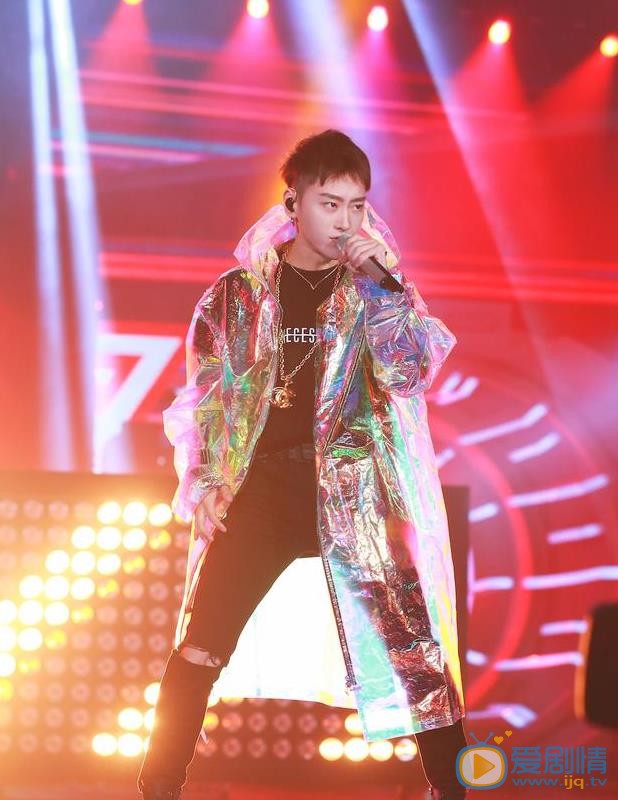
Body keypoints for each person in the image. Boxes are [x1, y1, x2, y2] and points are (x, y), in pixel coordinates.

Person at [138, 129, 468, 800]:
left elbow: (411, 372)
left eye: (357, 205)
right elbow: (206, 394)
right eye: (329, 204)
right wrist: (205, 479)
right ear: (293, 203)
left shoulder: (374, 288)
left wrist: (388, 290)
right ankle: (157, 788)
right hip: (264, 490)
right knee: (201, 646)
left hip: (355, 494)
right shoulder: (239, 293)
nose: (345, 221)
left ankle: (454, 788)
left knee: (415, 653)